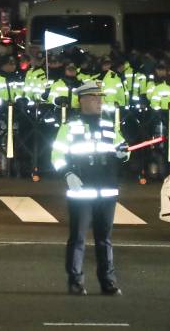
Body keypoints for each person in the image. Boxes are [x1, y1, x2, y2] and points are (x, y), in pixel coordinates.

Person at [51, 80, 129, 296]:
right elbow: (56, 156)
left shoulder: (109, 126)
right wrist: (68, 174)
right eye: (95, 98)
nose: (100, 102)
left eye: (101, 97)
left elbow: (123, 148)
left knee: (105, 239)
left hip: (106, 190)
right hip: (81, 190)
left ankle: (108, 281)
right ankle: (75, 281)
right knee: (77, 238)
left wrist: (124, 152)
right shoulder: (69, 128)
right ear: (82, 100)